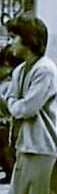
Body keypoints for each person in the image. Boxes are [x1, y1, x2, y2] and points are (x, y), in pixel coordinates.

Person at [0, 15, 57, 194]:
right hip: (25, 146)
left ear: (29, 40)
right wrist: (14, 103)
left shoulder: (45, 70)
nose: (9, 42)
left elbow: (26, 107)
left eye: (14, 37)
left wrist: (13, 104)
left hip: (42, 147)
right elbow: (14, 101)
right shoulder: (21, 70)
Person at [0, 45, 20, 183]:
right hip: (6, 122)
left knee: (5, 149)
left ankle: (11, 172)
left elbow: (8, 106)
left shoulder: (9, 83)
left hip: (6, 123)